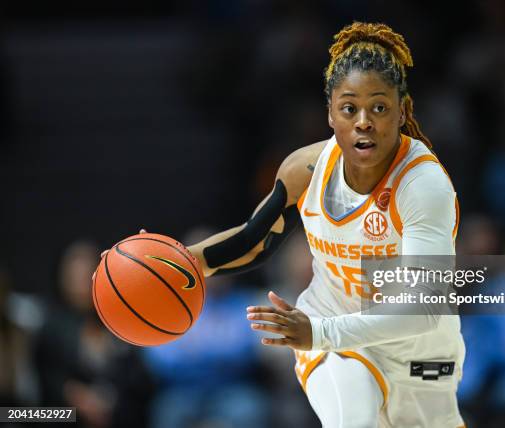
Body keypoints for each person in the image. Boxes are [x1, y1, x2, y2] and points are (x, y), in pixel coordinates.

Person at [111, 22, 464, 427]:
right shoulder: (306, 170)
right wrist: (166, 262)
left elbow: (422, 311)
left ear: (402, 111)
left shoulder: (423, 186)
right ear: (330, 112)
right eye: (349, 107)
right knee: (355, 420)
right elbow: (253, 239)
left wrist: (319, 332)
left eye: (379, 107)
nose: (363, 121)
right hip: (329, 325)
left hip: (416, 348)